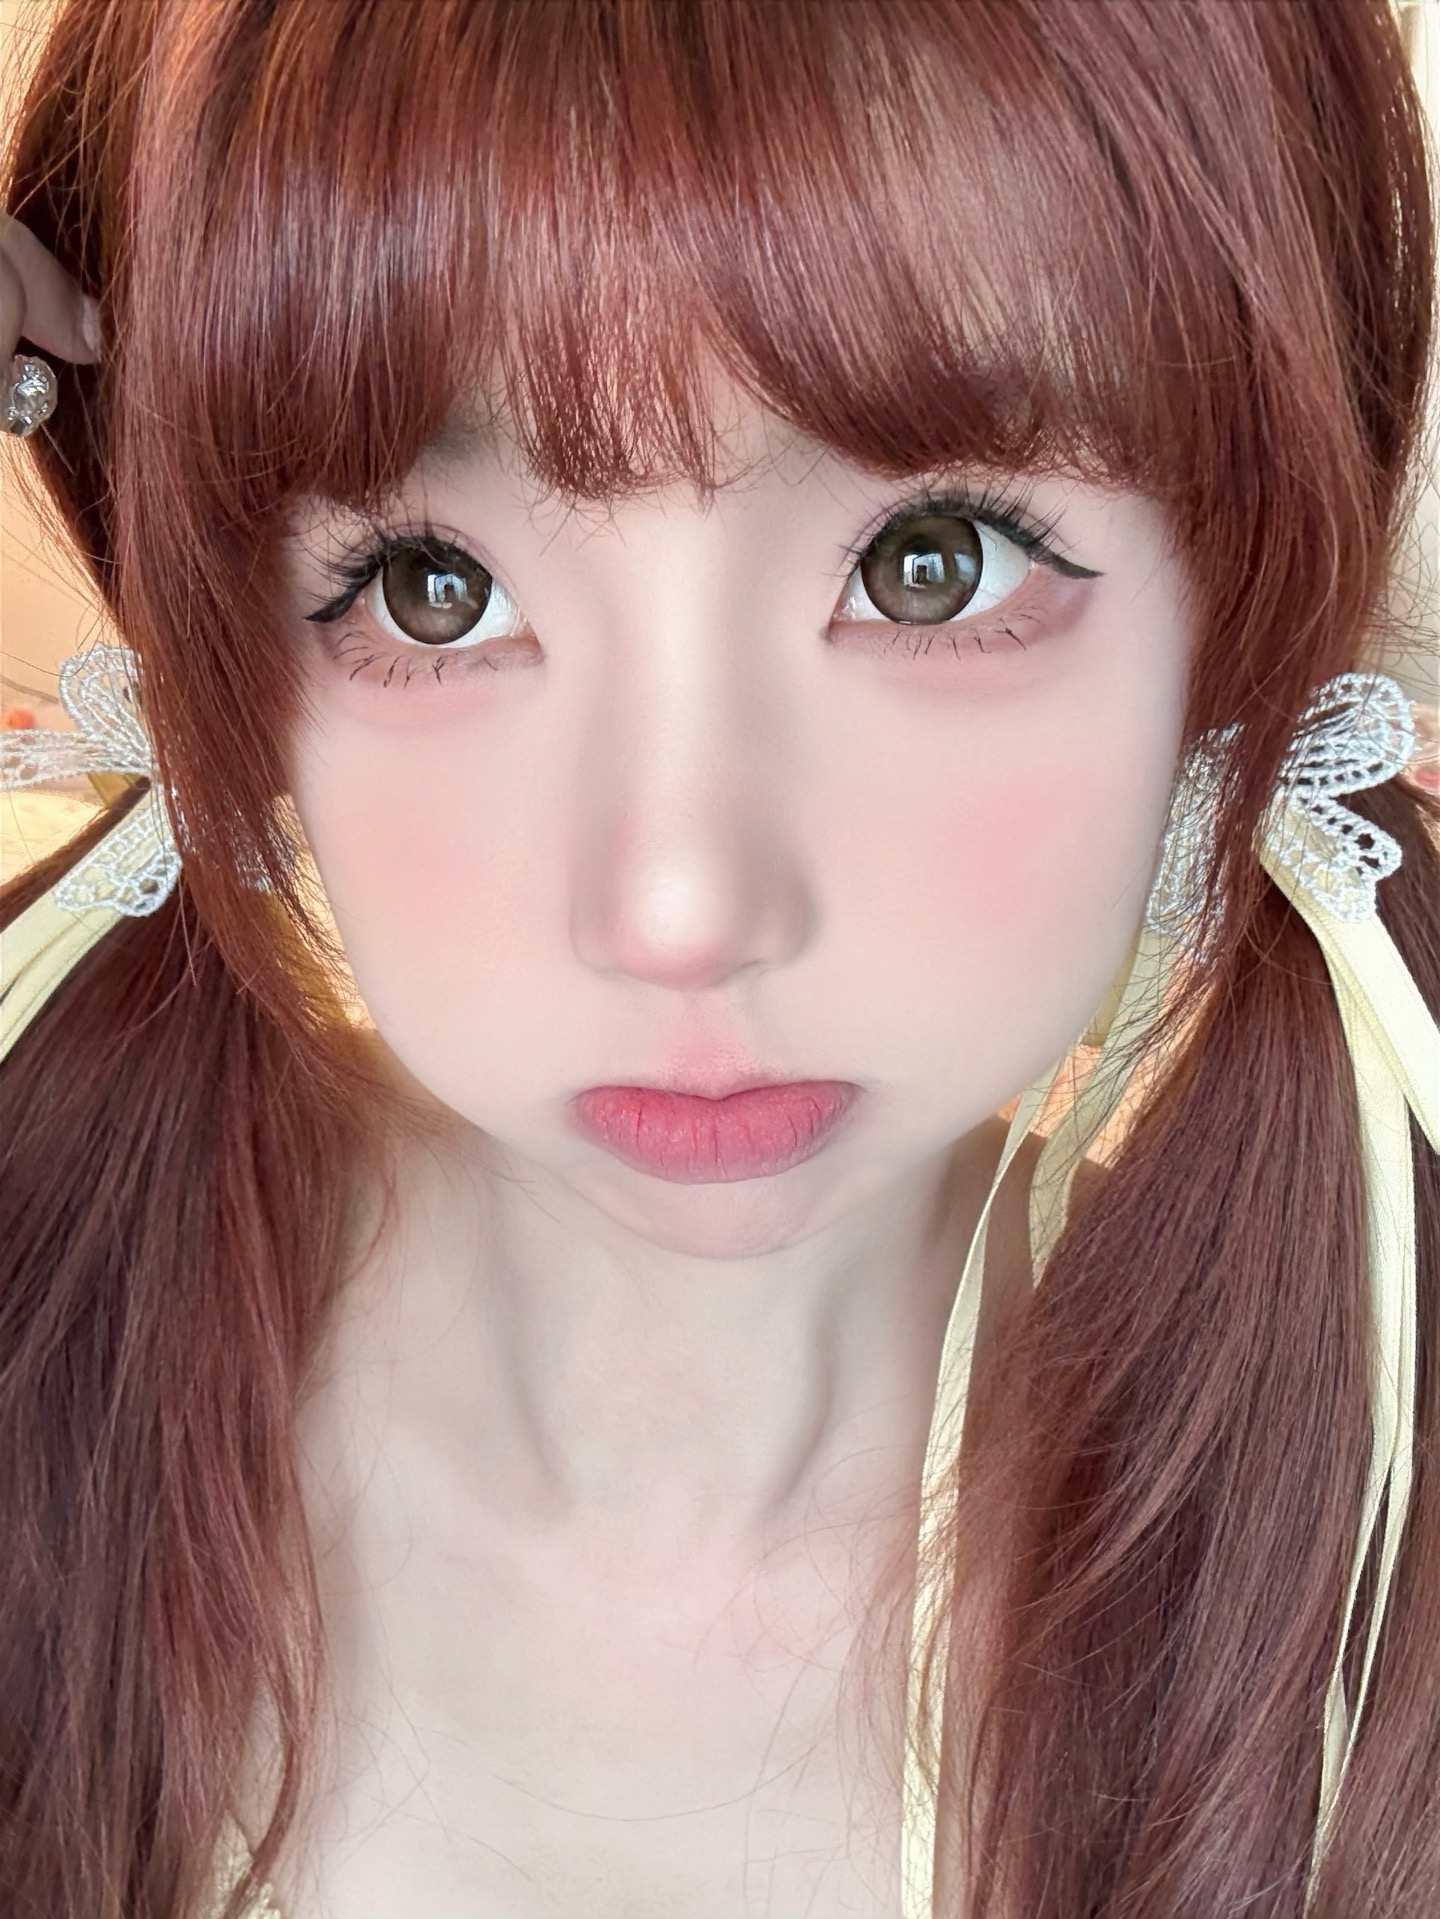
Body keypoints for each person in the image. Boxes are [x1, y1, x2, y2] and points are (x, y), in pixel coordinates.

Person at [1, 2, 1437, 1915]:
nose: (678, 907)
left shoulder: (1371, 1589)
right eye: (435, 590)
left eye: (934, 562)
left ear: (1240, 598)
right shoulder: (44, 1326)